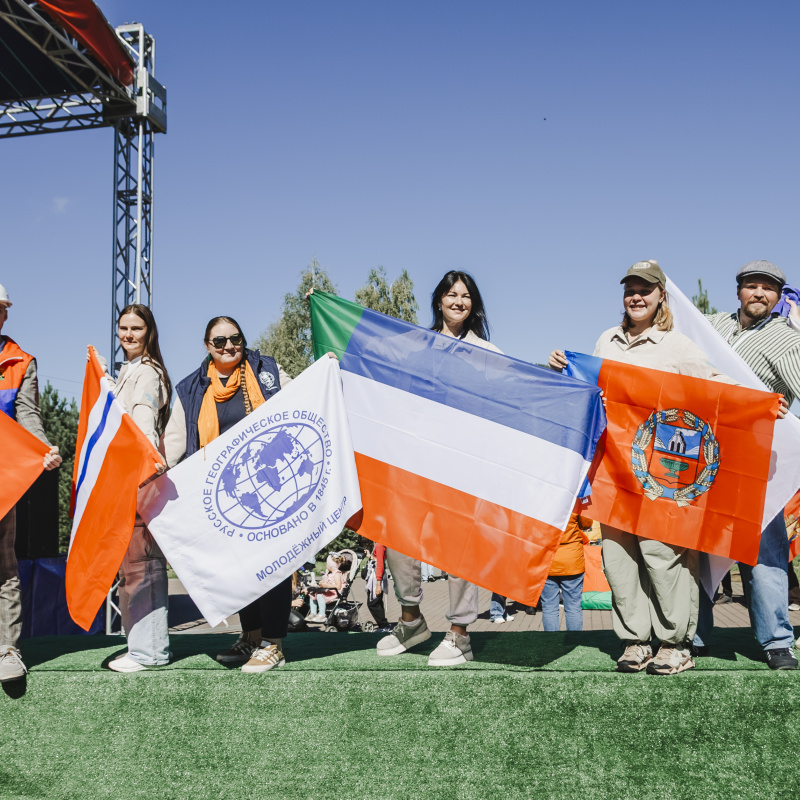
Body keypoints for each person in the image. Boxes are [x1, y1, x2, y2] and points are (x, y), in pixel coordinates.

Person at [549, 260, 724, 675]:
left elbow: (716, 387)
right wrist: (562, 370)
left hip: (661, 474)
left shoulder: (676, 346)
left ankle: (674, 643)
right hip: (611, 470)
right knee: (618, 558)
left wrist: (762, 405)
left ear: (661, 295)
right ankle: (635, 641)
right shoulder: (606, 340)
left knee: (661, 555)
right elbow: (589, 394)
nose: (636, 296)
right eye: (630, 288)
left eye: (646, 288)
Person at [377, 270, 501, 666]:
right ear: (439, 301)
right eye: (451, 294)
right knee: (398, 539)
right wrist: (336, 353)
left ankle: (459, 633)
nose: (458, 301)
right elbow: (376, 361)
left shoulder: (488, 353)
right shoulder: (420, 346)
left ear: (473, 304)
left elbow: (513, 397)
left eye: (465, 295)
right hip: (417, 462)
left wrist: (555, 373)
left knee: (460, 552)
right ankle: (411, 621)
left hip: (462, 467)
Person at [163, 316, 292, 673]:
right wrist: (152, 467)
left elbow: (302, 398)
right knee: (241, 569)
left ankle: (273, 644)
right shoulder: (191, 389)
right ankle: (251, 636)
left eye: (235, 339)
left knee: (274, 563)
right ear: (207, 346)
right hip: (226, 496)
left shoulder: (267, 371)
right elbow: (176, 439)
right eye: (219, 342)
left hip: (269, 485)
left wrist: (325, 370)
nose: (229, 346)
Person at [693, 260, 800, 670]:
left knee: (765, 553)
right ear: (738, 291)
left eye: (768, 288)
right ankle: (695, 636)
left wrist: (783, 404)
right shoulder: (709, 326)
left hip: (758, 463)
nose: (759, 293)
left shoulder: (786, 340)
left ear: (778, 297)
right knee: (698, 549)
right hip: (704, 459)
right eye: (751, 286)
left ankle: (775, 641)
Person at [96, 305, 172, 673]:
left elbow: (142, 426)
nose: (128, 334)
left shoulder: (147, 374)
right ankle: (139, 647)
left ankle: (150, 651)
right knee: (131, 569)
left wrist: (141, 472)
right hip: (127, 482)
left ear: (149, 332)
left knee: (143, 568)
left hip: (139, 481)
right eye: (123, 327)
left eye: (136, 328)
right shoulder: (129, 372)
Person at [0, 284, 62, 682]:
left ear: (4, 315)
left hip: (2, 480)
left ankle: (6, 650)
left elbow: (28, 415)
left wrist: (43, 450)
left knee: (4, 565)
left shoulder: (21, 361)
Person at [540, 513, 592, 632]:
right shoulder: (576, 497)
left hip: (546, 558)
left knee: (549, 607)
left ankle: (552, 643)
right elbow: (587, 523)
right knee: (573, 606)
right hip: (571, 559)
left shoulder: (539, 499)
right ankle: (573, 642)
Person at [305, 553, 347, 623]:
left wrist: (327, 585)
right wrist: (322, 583)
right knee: (312, 594)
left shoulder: (337, 574)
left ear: (331, 565)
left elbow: (338, 586)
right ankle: (313, 613)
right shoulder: (329, 574)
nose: (326, 565)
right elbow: (327, 583)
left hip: (334, 592)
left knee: (319, 595)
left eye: (327, 564)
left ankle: (322, 614)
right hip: (328, 591)